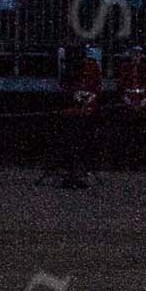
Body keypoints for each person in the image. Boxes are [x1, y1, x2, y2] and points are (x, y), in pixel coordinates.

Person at [58, 43, 103, 188]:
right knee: (72, 140)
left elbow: (96, 86)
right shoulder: (70, 69)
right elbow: (66, 87)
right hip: (74, 109)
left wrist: (88, 98)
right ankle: (72, 171)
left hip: (87, 108)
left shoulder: (91, 67)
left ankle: (84, 170)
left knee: (86, 140)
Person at [114, 44, 146, 170]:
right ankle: (126, 161)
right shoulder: (125, 68)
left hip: (142, 104)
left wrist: (143, 102)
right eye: (134, 54)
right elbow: (120, 88)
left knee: (141, 134)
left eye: (138, 54)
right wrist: (128, 101)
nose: (136, 57)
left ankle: (140, 161)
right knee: (127, 133)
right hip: (128, 104)